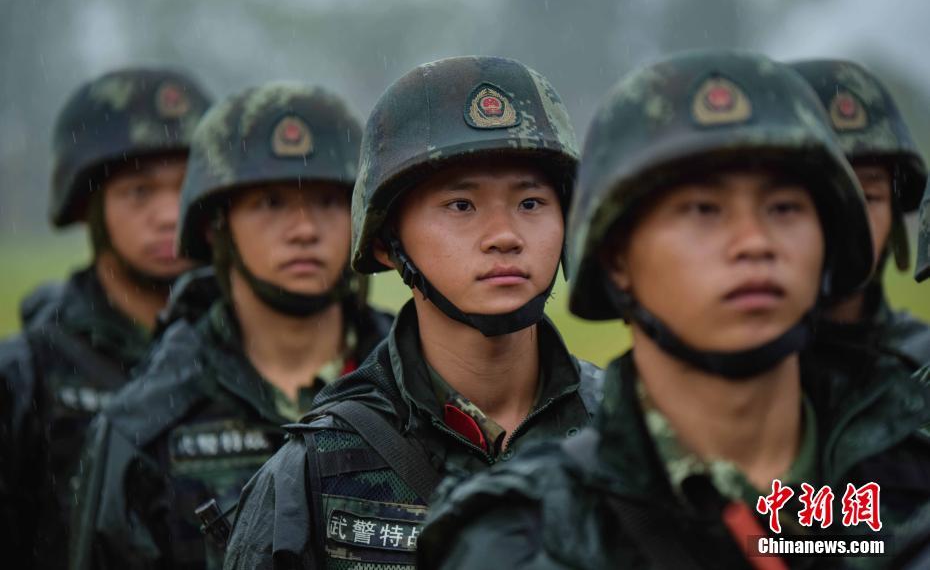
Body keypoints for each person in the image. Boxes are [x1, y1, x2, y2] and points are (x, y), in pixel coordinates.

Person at [419, 51, 930, 569]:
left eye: (785, 208)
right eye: (703, 211)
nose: (755, 244)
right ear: (617, 258)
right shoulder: (527, 538)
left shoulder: (913, 475)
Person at [223, 56, 604, 569]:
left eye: (531, 203)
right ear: (387, 243)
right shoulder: (312, 472)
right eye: (461, 206)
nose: (506, 236)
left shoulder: (630, 433)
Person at [69, 83, 392, 570]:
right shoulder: (144, 422)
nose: (305, 229)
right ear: (214, 226)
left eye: (328, 201)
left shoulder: (420, 382)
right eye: (271, 203)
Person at [0, 68, 211, 568]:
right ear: (88, 205)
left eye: (185, 189)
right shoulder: (24, 376)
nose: (168, 214)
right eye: (139, 191)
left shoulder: (264, 349)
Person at [790, 59, 930, 370]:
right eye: (818, 196)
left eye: (867, 197)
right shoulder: (713, 377)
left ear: (894, 216)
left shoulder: (922, 370)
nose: (846, 217)